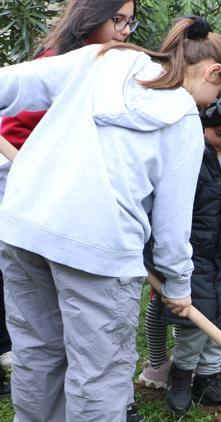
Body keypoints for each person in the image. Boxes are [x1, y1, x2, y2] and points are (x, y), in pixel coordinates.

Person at [0, 16, 221, 420]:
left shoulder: (104, 58)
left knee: (39, 356)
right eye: (214, 95)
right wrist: (178, 285)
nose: (206, 105)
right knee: (99, 375)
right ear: (212, 70)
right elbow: (172, 223)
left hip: (24, 228)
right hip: (100, 250)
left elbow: (18, 82)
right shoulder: (181, 117)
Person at [0, 0, 143, 418]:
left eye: (129, 22)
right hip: (37, 214)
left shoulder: (110, 70)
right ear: (90, 17)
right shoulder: (60, 66)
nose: (125, 31)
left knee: (71, 343)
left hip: (77, 216)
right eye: (117, 19)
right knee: (54, 345)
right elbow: (14, 133)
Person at [154, 85, 221, 416]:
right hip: (195, 255)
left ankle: (208, 380)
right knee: (194, 325)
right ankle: (181, 380)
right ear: (204, 123)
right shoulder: (190, 154)